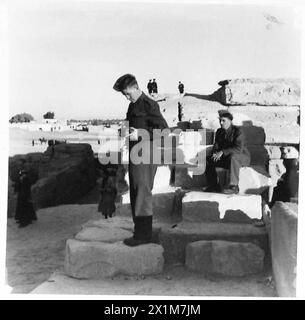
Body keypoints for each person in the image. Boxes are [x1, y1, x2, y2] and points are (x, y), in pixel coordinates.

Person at [113, 73, 168, 246]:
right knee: (136, 192)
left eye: (128, 93)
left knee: (142, 193)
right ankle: (139, 232)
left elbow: (164, 131)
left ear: (136, 87)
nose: (127, 97)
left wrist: (141, 134)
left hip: (147, 154)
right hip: (135, 154)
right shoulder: (132, 106)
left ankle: (143, 236)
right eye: (124, 95)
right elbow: (131, 124)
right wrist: (125, 131)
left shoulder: (149, 104)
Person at [205, 111, 251, 194]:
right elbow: (216, 146)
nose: (221, 123)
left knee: (233, 157)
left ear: (230, 121)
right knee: (208, 159)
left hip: (241, 158)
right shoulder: (219, 132)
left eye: (224, 120)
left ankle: (234, 186)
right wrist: (215, 154)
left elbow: (238, 149)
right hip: (228, 158)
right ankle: (214, 185)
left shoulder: (238, 131)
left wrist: (223, 152)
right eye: (220, 121)